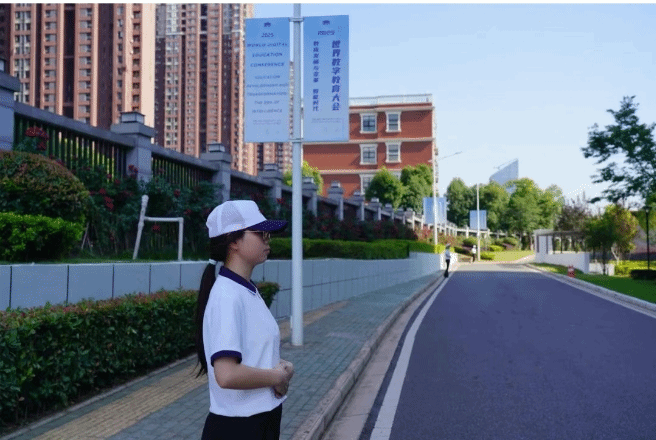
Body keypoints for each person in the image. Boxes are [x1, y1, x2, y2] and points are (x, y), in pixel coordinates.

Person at [195, 200, 294, 440]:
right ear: (234, 242)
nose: (267, 239)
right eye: (261, 233)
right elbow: (227, 374)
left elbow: (252, 353)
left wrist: (283, 368)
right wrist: (277, 377)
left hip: (259, 422)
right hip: (238, 428)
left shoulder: (245, 289)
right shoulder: (227, 296)